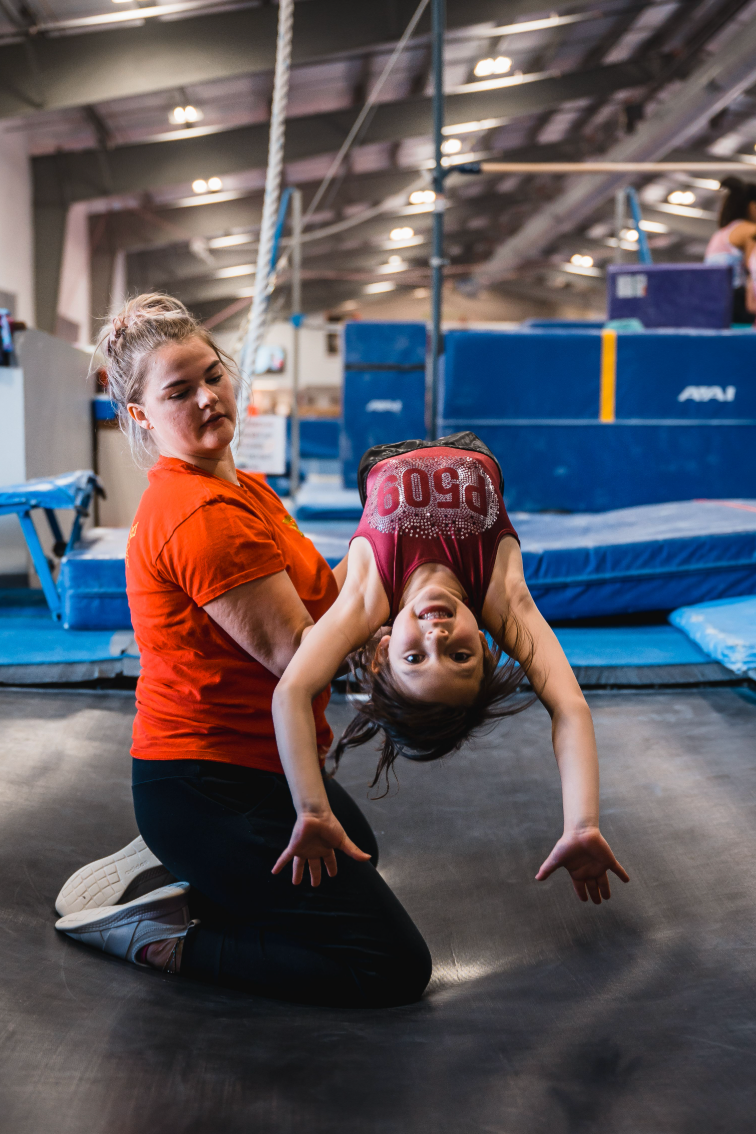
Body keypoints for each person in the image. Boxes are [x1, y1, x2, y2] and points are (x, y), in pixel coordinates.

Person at [54, 294, 432, 1008]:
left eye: (212, 375)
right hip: (206, 782)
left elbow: (327, 601)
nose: (206, 398)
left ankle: (188, 869)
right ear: (139, 415)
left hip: (259, 765)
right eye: (177, 391)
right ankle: (164, 939)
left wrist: (403, 563)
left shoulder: (248, 487)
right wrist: (402, 657)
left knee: (358, 851)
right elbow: (299, 652)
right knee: (389, 967)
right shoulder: (199, 515)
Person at [270, 435, 629, 906]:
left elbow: (291, 692)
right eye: (460, 658)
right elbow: (568, 706)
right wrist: (582, 823)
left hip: (387, 459)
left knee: (305, 626)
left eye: (414, 659)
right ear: (484, 645)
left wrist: (312, 808)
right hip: (470, 449)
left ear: (382, 653)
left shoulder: (367, 599)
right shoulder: (501, 597)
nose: (437, 640)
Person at [704, 176, 756, 324]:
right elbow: (752, 268)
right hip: (734, 302)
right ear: (753, 206)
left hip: (712, 300)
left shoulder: (722, 232)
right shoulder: (750, 231)